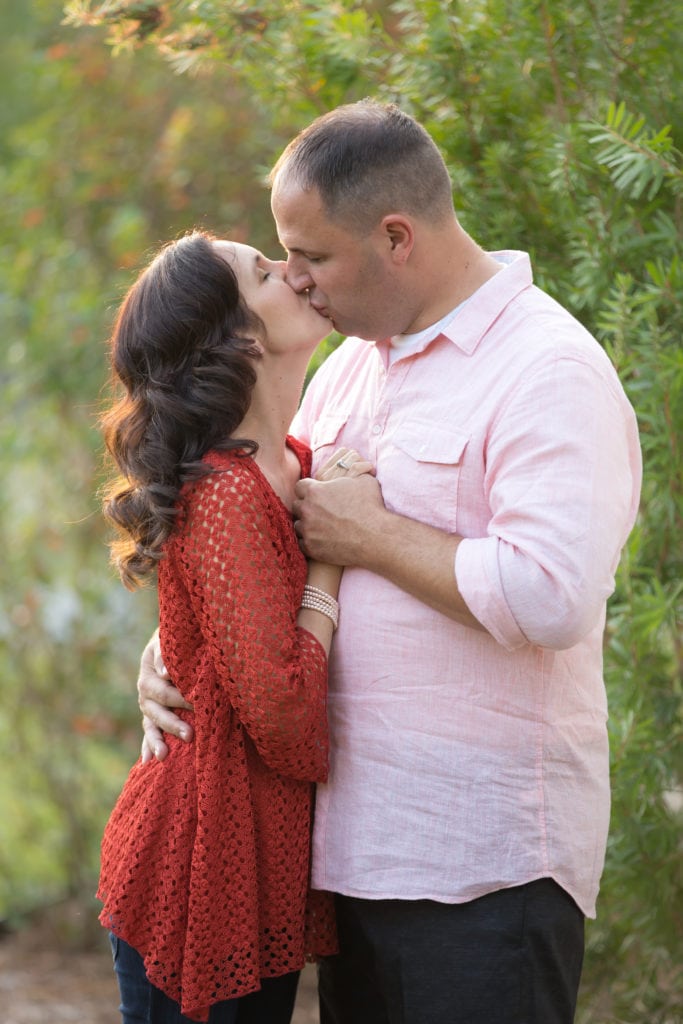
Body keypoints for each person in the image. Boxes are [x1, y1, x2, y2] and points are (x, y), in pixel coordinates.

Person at [137, 102, 642, 1024]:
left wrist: (370, 538)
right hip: (347, 865)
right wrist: (177, 653)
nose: (295, 278)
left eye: (313, 257)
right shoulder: (347, 373)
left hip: (482, 872)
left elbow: (553, 595)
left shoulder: (546, 369)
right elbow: (254, 544)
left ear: (396, 237)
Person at [96, 228, 372, 1024]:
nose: (293, 272)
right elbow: (286, 719)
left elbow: (212, 637)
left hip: (245, 866)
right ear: (237, 337)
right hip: (194, 870)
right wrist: (332, 553)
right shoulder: (226, 492)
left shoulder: (288, 460)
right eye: (264, 271)